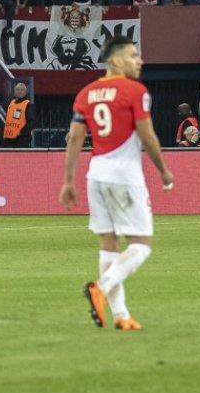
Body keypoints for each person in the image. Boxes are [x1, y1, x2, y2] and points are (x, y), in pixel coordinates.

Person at [59, 37, 174, 332]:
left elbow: (75, 138)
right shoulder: (135, 91)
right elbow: (147, 135)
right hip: (125, 177)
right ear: (116, 60)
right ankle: (101, 287)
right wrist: (163, 170)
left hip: (95, 175)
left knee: (108, 246)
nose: (140, 61)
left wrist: (68, 180)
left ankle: (121, 315)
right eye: (134, 55)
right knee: (141, 245)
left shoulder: (86, 94)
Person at [2, 82, 32, 147]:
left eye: (22, 90)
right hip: (8, 138)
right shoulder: (11, 102)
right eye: (17, 89)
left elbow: (31, 122)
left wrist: (21, 133)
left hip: (21, 139)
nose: (19, 92)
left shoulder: (28, 104)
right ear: (14, 91)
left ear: (25, 92)